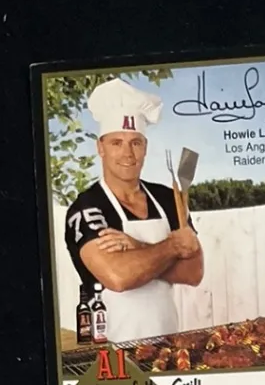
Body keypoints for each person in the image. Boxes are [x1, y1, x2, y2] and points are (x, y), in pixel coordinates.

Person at [63, 77, 204, 344]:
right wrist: (173, 247)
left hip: (168, 342)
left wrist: (136, 246)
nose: (128, 153)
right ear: (100, 148)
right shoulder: (88, 207)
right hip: (111, 349)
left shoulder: (168, 198)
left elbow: (193, 273)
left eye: (136, 142)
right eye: (116, 142)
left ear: (145, 147)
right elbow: (118, 277)